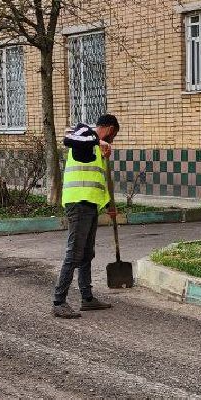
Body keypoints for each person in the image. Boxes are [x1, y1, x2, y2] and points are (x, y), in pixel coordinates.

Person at [52, 113, 120, 319]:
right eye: (113, 135)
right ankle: (59, 301)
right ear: (109, 129)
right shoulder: (84, 135)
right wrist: (98, 140)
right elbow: (68, 137)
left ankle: (87, 298)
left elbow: (97, 180)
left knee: (86, 253)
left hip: (90, 205)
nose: (112, 140)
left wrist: (109, 204)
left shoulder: (97, 149)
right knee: (74, 254)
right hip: (78, 203)